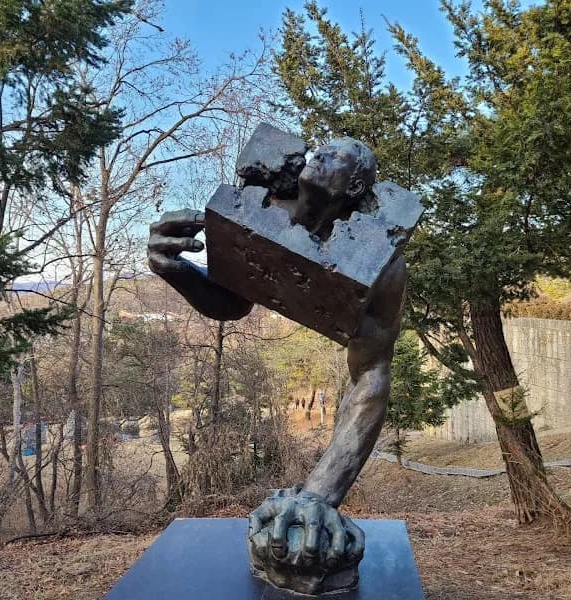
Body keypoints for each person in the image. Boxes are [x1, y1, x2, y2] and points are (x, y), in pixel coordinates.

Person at [147, 137, 405, 577]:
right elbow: (234, 302)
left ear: (357, 186)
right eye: (320, 148)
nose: (319, 154)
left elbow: (371, 375)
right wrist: (178, 272)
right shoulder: (266, 204)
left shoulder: (381, 263)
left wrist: (319, 495)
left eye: (338, 156)